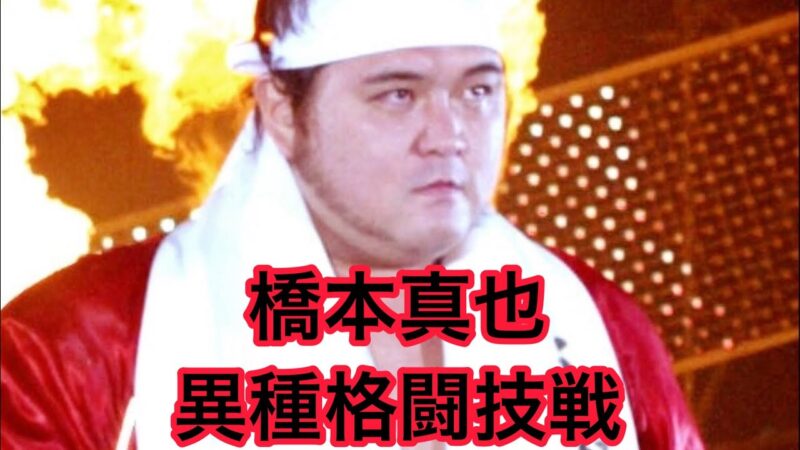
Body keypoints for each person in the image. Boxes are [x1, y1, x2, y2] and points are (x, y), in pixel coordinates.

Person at [1, 0, 705, 449]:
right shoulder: (74, 350)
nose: (449, 135)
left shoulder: (594, 329)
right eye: (397, 94)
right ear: (281, 110)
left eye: (477, 90)